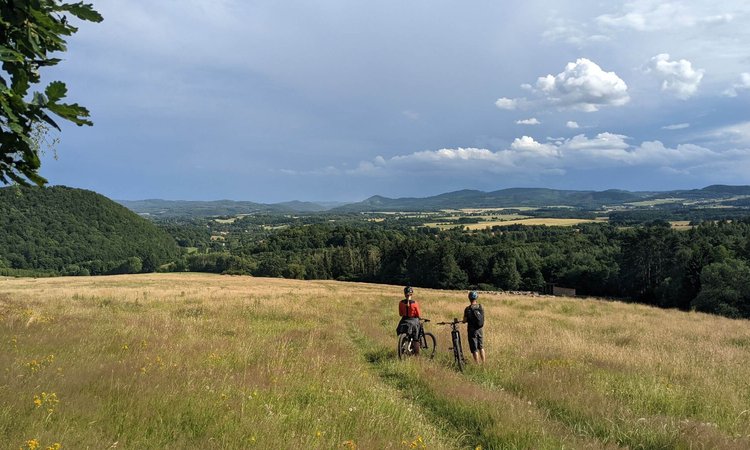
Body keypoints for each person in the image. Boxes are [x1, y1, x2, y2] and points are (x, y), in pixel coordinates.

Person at [396, 286, 422, 353]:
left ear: (404, 294)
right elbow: (418, 314)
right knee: (416, 336)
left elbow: (400, 314)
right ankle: (416, 353)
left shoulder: (401, 303)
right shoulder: (415, 303)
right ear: (411, 294)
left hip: (404, 320)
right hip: (413, 320)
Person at [463, 290, 486, 364]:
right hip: (480, 329)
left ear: (469, 298)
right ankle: (484, 363)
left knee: (474, 349)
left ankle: (477, 365)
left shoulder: (467, 309)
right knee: (481, 347)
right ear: (476, 298)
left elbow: (464, 320)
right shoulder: (481, 306)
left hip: (471, 330)